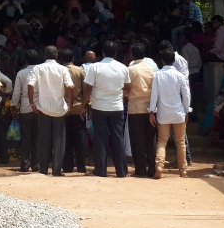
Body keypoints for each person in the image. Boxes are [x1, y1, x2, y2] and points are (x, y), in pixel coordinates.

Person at [84, 41, 131, 178]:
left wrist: (84, 105)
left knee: (100, 138)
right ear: (116, 53)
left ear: (103, 53)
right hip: (117, 107)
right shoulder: (123, 67)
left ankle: (100, 170)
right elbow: (128, 86)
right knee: (118, 138)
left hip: (99, 107)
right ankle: (122, 171)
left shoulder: (95, 67)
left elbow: (88, 88)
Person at [28, 45, 75, 176]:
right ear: (57, 56)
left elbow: (30, 85)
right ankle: (56, 169)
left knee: (43, 140)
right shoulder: (62, 69)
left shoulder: (38, 68)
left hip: (43, 109)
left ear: (44, 55)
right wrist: (70, 105)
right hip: (59, 109)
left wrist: (32, 104)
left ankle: (43, 169)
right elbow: (70, 87)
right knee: (59, 140)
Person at [149, 47, 190, 179]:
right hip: (178, 112)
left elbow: (154, 95)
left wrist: (151, 111)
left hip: (163, 113)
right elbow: (186, 95)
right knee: (180, 142)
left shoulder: (157, 75)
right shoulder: (180, 76)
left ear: (162, 60)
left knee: (162, 141)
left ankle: (159, 166)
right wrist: (186, 110)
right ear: (174, 60)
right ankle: (183, 170)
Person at [126, 42, 157, 178]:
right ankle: (152, 168)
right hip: (150, 109)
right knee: (150, 140)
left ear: (132, 55)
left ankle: (140, 169)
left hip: (135, 108)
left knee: (137, 140)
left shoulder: (130, 69)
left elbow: (126, 89)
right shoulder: (152, 69)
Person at [12, 49, 42, 173]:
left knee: (26, 137)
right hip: (40, 108)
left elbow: (17, 91)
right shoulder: (42, 72)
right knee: (38, 137)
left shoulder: (21, 73)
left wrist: (14, 105)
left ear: (26, 60)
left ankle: (24, 164)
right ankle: (36, 165)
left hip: (25, 108)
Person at [60, 47, 87, 174]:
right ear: (73, 59)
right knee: (80, 138)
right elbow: (86, 90)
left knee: (65, 138)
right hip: (78, 108)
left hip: (62, 109)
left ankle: (67, 166)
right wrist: (86, 106)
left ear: (60, 59)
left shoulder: (58, 70)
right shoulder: (80, 71)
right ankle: (81, 166)